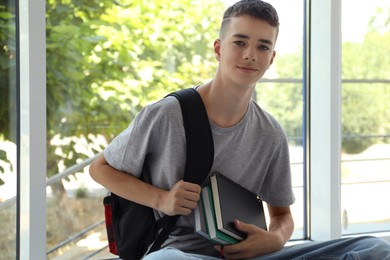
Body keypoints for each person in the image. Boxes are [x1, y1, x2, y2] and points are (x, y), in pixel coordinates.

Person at [90, 0, 390, 259]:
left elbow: (281, 215)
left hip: (245, 255)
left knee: (374, 248)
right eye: (240, 42)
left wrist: (275, 239)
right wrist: (160, 199)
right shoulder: (167, 114)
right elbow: (99, 169)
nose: (251, 54)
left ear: (271, 59)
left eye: (263, 46)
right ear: (219, 49)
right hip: (177, 253)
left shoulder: (270, 134)